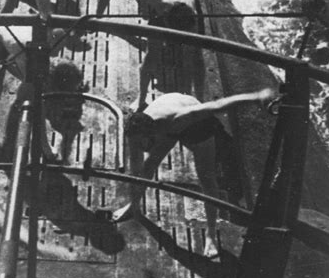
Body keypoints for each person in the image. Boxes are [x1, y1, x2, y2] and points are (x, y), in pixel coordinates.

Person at [115, 89, 274, 257]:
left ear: (152, 133)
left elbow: (219, 105)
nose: (138, 148)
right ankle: (133, 206)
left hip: (197, 126)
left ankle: (211, 235)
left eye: (142, 143)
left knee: (207, 179)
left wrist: (257, 96)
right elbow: (137, 168)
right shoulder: (138, 126)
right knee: (148, 166)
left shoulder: (181, 118)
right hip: (169, 115)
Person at [0, 24, 87, 163]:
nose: (57, 52)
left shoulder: (58, 34)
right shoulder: (29, 58)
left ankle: (42, 143)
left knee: (31, 89)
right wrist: (46, 147)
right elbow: (38, 109)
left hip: (20, 48)